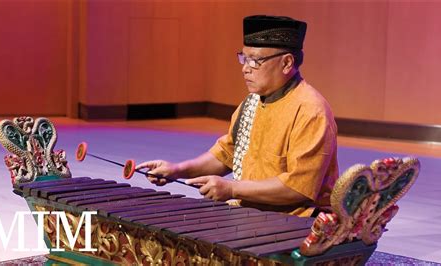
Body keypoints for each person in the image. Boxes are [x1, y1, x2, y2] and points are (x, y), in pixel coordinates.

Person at [137, 15, 338, 217]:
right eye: (243, 58)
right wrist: (177, 170)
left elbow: (297, 188)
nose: (245, 68)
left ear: (286, 63)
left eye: (255, 60)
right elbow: (226, 155)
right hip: (252, 211)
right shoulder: (252, 102)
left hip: (297, 222)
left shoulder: (311, 111)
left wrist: (232, 189)